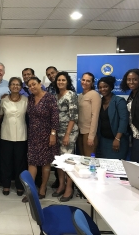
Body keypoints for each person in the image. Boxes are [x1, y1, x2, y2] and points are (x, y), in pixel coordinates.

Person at [22, 77, 59, 203]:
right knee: (32, 162)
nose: (32, 87)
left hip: (46, 135)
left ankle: (43, 188)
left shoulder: (50, 98)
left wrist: (53, 134)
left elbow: (55, 117)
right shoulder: (30, 99)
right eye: (29, 86)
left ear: (40, 84)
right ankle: (31, 191)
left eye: (34, 84)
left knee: (45, 162)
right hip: (32, 135)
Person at [0, 77, 27, 196]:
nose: (15, 86)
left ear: (21, 87)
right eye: (13, 84)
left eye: (18, 84)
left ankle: (20, 186)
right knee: (6, 162)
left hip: (21, 135)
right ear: (9, 86)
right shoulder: (4, 100)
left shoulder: (26, 100)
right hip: (6, 135)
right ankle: (6, 185)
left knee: (20, 162)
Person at [52, 72, 79, 202]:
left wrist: (67, 135)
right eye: (59, 80)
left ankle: (69, 188)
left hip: (69, 133)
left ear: (67, 81)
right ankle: (61, 185)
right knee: (59, 161)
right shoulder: (55, 96)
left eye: (63, 80)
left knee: (68, 162)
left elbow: (73, 116)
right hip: (57, 132)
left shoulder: (71, 95)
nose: (61, 82)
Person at [97, 76, 129, 159]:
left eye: (105, 86)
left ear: (111, 87)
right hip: (103, 141)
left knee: (117, 167)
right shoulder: (99, 102)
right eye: (100, 87)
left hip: (117, 140)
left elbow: (124, 120)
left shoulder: (119, 101)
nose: (102, 89)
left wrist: (117, 139)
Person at [77, 72, 101, 156]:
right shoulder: (80, 96)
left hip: (89, 132)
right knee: (82, 159)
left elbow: (95, 116)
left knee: (88, 161)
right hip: (79, 132)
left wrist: (91, 136)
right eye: (83, 80)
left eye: (88, 81)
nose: (84, 82)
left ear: (92, 83)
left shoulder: (95, 95)